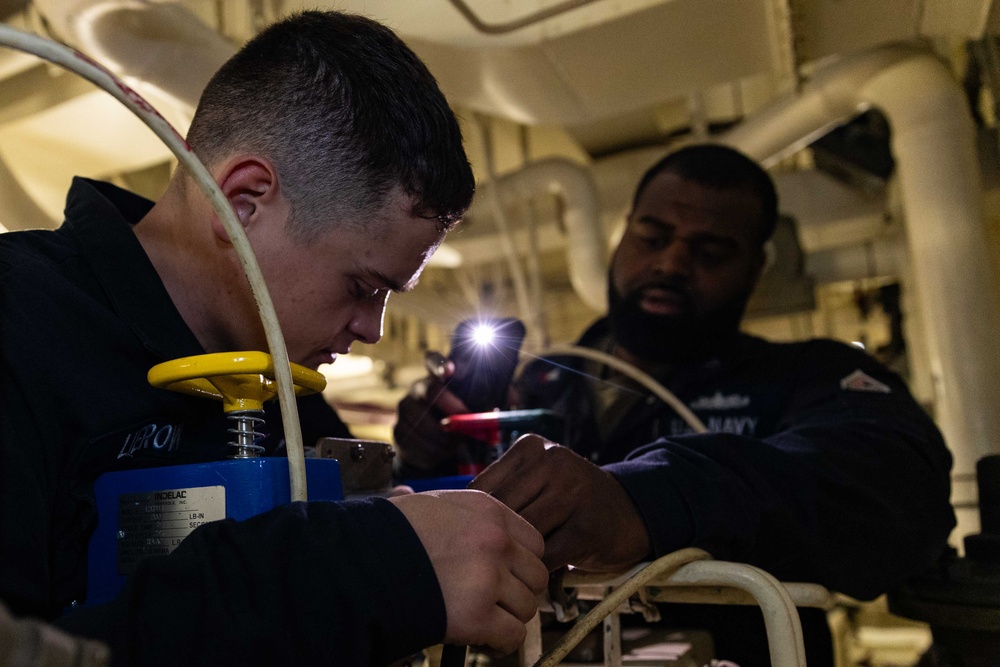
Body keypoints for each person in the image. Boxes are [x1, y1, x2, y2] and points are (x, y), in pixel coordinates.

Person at [0, 11, 549, 665]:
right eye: (362, 285)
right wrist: (360, 571)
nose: (373, 331)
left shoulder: (292, 400)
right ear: (244, 202)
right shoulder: (17, 327)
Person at [393, 144, 957, 665]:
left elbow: (904, 488)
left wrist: (650, 499)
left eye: (710, 251)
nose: (671, 263)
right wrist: (429, 456)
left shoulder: (805, 379)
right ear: (620, 239)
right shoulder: (539, 387)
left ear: (754, 270)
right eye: (653, 236)